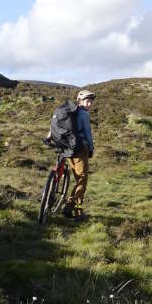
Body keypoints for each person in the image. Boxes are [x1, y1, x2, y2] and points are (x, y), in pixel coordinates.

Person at [64, 88, 95, 218]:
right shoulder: (84, 114)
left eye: (91, 101)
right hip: (80, 149)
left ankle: (69, 206)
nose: (90, 104)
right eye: (87, 101)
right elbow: (87, 133)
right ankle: (77, 210)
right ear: (80, 100)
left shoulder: (70, 112)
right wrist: (91, 148)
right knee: (82, 180)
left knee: (78, 180)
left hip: (68, 149)